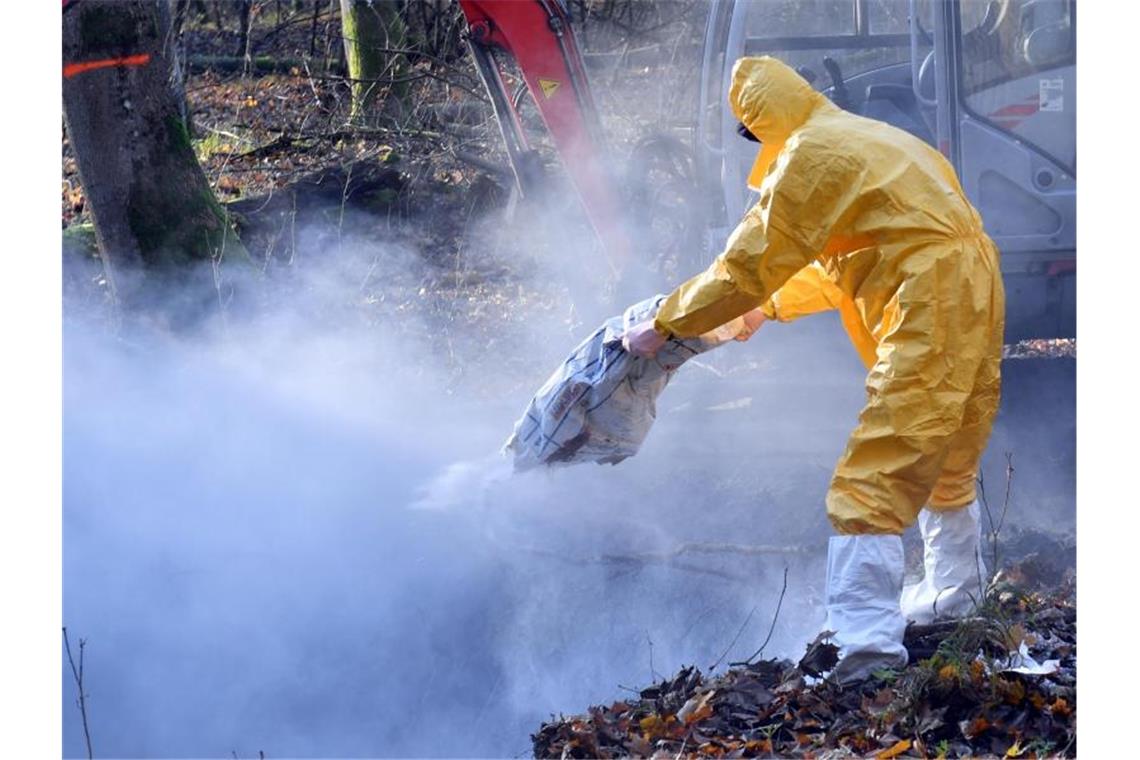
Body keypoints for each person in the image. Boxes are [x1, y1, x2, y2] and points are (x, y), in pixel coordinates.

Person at [623, 56, 1006, 683]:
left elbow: (748, 263)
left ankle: (865, 649)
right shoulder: (867, 136)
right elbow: (841, 263)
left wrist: (667, 323)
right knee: (949, 442)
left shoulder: (810, 154)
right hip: (972, 281)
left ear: (757, 124)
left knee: (876, 468)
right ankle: (955, 597)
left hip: (929, 293)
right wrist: (764, 309)